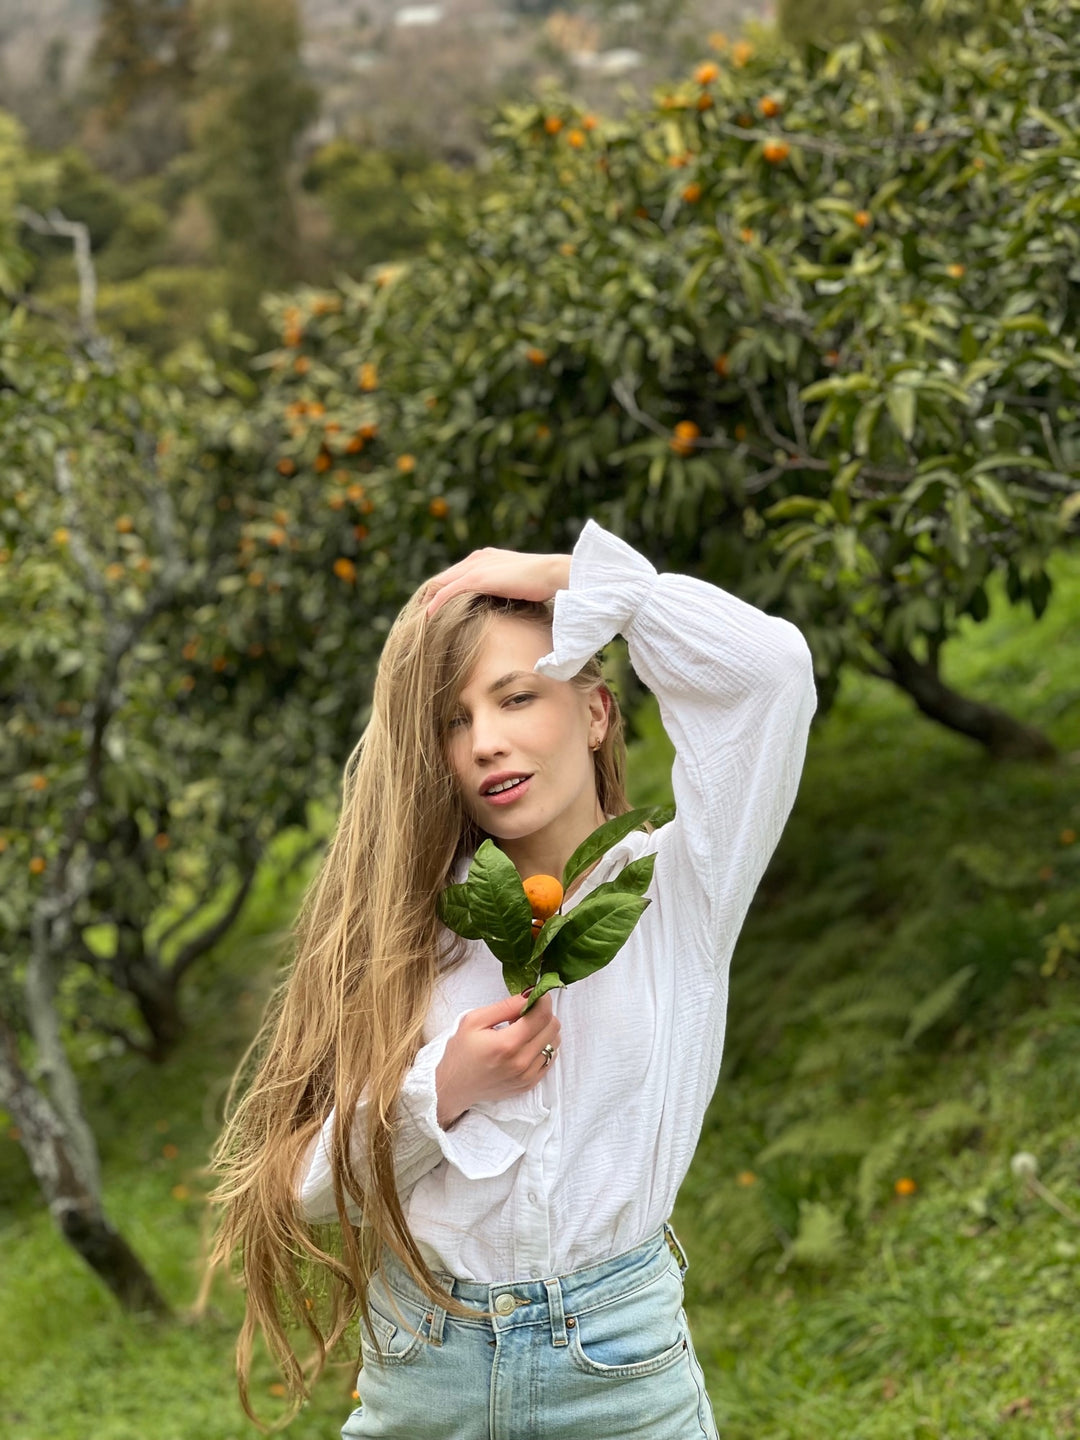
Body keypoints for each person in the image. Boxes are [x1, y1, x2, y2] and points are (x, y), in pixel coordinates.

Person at [203, 518, 817, 1438]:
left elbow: (770, 671)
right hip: (426, 1369)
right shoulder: (409, 930)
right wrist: (441, 1090)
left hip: (616, 1368)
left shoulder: (679, 889)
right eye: (456, 720)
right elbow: (301, 1186)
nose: (486, 740)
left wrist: (575, 578)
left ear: (597, 712)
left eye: (517, 697)